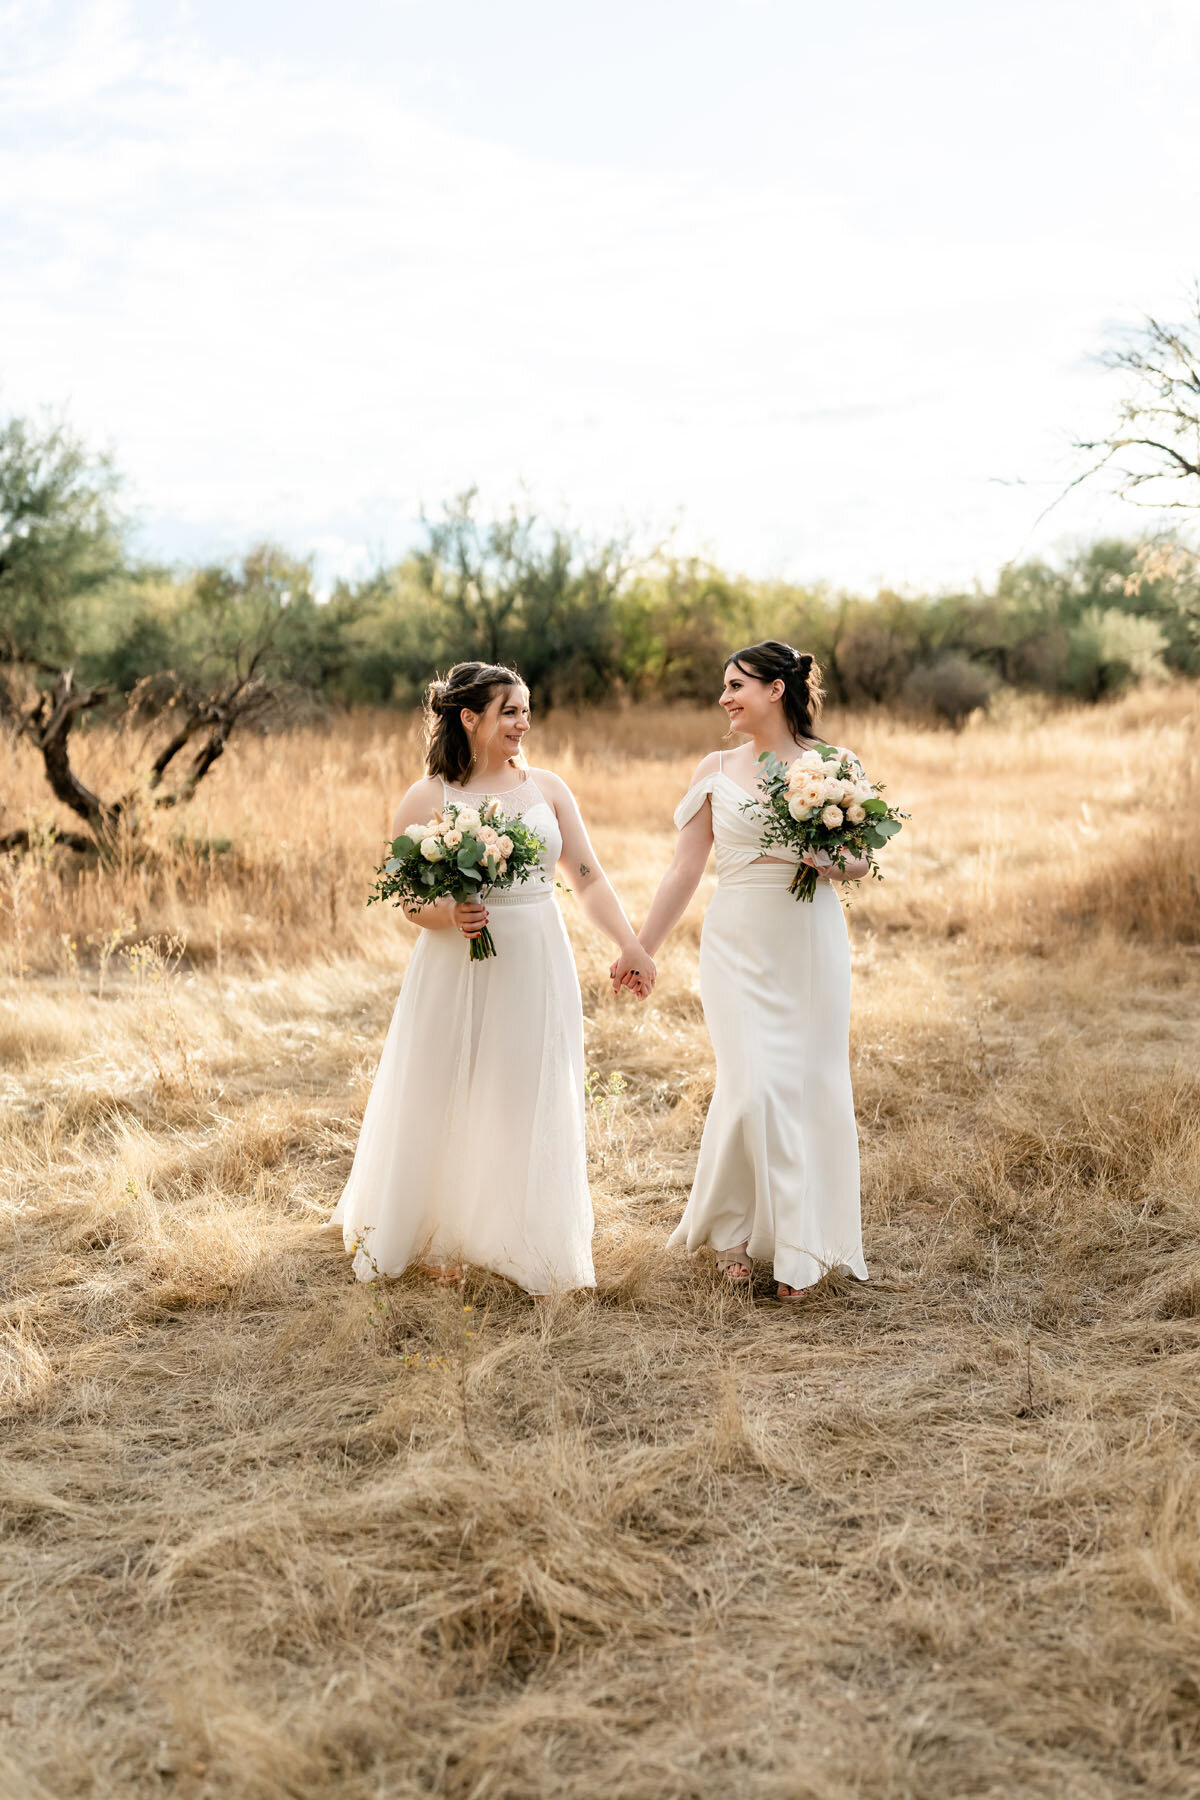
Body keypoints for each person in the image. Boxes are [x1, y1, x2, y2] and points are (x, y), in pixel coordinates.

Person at [332, 661, 655, 1297]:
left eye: (526, 710)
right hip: (456, 963)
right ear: (469, 717)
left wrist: (631, 944)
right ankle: (438, 1231)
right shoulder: (428, 799)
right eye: (510, 711)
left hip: (536, 955)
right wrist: (449, 913)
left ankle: (520, 1237)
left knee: (525, 1088)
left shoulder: (549, 789)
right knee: (446, 1085)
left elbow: (585, 876)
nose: (523, 722)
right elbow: (408, 901)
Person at [613, 640, 869, 1301]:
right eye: (724, 686)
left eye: (736, 685)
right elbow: (684, 869)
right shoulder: (716, 767)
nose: (724, 697)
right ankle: (731, 1230)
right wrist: (642, 947)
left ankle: (800, 1245)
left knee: (808, 1084)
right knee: (751, 1085)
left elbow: (860, 860)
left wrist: (829, 860)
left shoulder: (833, 765)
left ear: (776, 689)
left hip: (809, 942)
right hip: (735, 945)